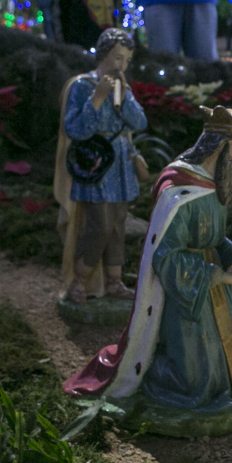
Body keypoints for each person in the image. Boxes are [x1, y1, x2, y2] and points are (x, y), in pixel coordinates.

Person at [63, 107, 232, 432]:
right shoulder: (179, 189)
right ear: (220, 145)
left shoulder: (215, 182)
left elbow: (213, 240)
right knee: (194, 382)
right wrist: (216, 274)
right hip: (182, 294)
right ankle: (152, 370)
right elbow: (166, 256)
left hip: (208, 288)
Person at [54, 28, 147, 304]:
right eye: (118, 58)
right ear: (104, 54)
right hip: (95, 164)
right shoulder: (82, 86)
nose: (122, 65)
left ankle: (114, 280)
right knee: (99, 226)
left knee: (118, 224)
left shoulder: (123, 89)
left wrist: (123, 101)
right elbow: (75, 129)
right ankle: (79, 280)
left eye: (127, 60)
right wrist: (98, 97)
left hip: (119, 163)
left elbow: (140, 123)